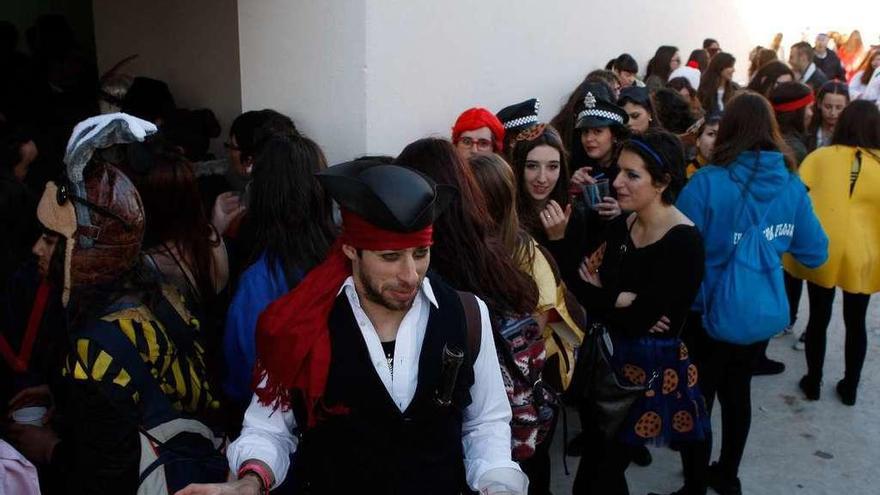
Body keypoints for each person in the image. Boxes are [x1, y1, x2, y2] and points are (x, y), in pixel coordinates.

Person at [179, 161, 528, 495]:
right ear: (351, 249)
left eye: (420, 253)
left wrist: (497, 483)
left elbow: (485, 422)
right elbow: (269, 429)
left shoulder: (466, 314)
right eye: (390, 257)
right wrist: (251, 480)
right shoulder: (301, 324)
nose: (410, 274)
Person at [5, 114, 228, 493]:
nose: (36, 249)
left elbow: (107, 476)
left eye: (51, 239)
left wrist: (49, 447)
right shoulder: (160, 291)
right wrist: (61, 395)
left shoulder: (92, 350)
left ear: (85, 251)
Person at [676, 92, 828, 495]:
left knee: (699, 400)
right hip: (757, 311)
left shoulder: (707, 183)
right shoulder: (792, 186)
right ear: (772, 131)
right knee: (737, 392)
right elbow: (816, 253)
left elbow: (678, 252)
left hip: (704, 312)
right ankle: (728, 476)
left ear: (728, 132)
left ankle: (693, 485)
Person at [569, 129, 709, 495]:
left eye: (632, 175)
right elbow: (579, 285)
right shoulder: (623, 225)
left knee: (598, 473)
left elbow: (646, 322)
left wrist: (606, 297)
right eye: (619, 171)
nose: (617, 183)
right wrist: (618, 299)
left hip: (645, 382)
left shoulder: (684, 242)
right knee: (603, 471)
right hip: (607, 368)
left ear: (662, 182)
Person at [470, 152, 586, 494]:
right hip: (498, 398)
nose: (542, 177)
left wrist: (522, 334)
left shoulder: (528, 253)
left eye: (553, 167)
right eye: (533, 166)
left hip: (528, 393)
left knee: (531, 467)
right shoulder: (468, 253)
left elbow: (558, 323)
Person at [223, 136, 336, 411]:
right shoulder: (347, 258)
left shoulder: (259, 281)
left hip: (277, 429)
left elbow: (241, 379)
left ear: (263, 195)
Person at [783, 101, 880, 406]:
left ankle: (813, 381)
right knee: (856, 322)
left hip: (821, 247)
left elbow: (797, 195)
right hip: (863, 252)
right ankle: (850, 387)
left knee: (818, 318)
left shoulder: (820, 157)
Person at [806, 81, 850, 152]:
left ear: (847, 106)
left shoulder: (851, 134)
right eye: (828, 107)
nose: (833, 113)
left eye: (839, 108)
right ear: (819, 103)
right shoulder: (807, 128)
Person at [686, 113, 721, 178]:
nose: (717, 141)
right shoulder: (684, 172)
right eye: (711, 134)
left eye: (722, 136)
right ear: (698, 140)